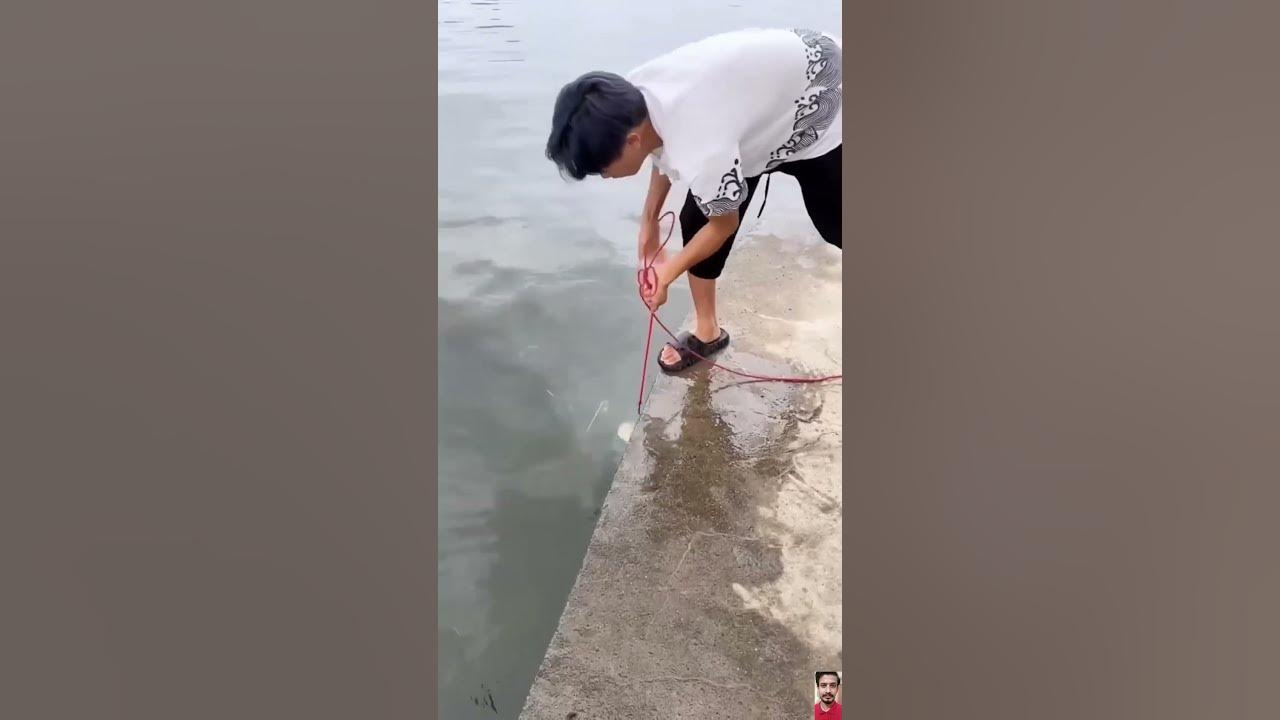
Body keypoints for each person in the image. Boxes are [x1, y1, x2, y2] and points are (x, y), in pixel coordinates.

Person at [545, 28, 842, 373]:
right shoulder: (628, 99)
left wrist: (666, 274)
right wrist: (649, 222)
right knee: (695, 217)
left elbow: (724, 224)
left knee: (836, 224)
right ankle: (707, 331)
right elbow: (659, 145)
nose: (604, 176)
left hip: (822, 93)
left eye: (602, 169)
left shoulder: (702, 146)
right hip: (750, 108)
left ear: (631, 141)